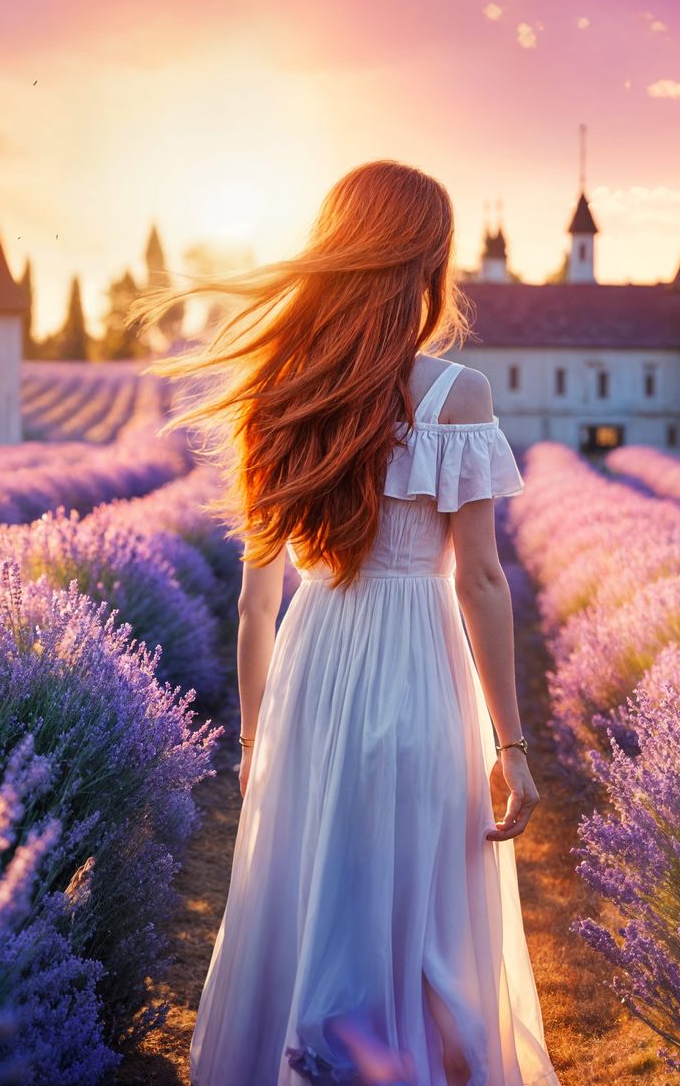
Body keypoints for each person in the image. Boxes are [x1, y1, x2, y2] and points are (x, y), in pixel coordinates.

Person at [130, 160, 559, 1085]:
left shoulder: (280, 392)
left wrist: (254, 739)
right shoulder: (455, 396)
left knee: (314, 893)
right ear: (427, 263)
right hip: (416, 663)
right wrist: (513, 747)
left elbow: (254, 598)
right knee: (420, 906)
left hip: (311, 668)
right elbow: (482, 580)